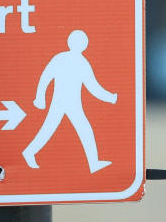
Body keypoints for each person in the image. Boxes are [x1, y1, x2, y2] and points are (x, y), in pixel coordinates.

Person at [22, 29, 118, 172]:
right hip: (62, 102)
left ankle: (93, 163)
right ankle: (29, 152)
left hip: (71, 103)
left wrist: (110, 97)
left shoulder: (75, 61)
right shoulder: (66, 59)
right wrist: (39, 97)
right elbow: (46, 76)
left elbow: (92, 86)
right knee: (53, 128)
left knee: (78, 129)